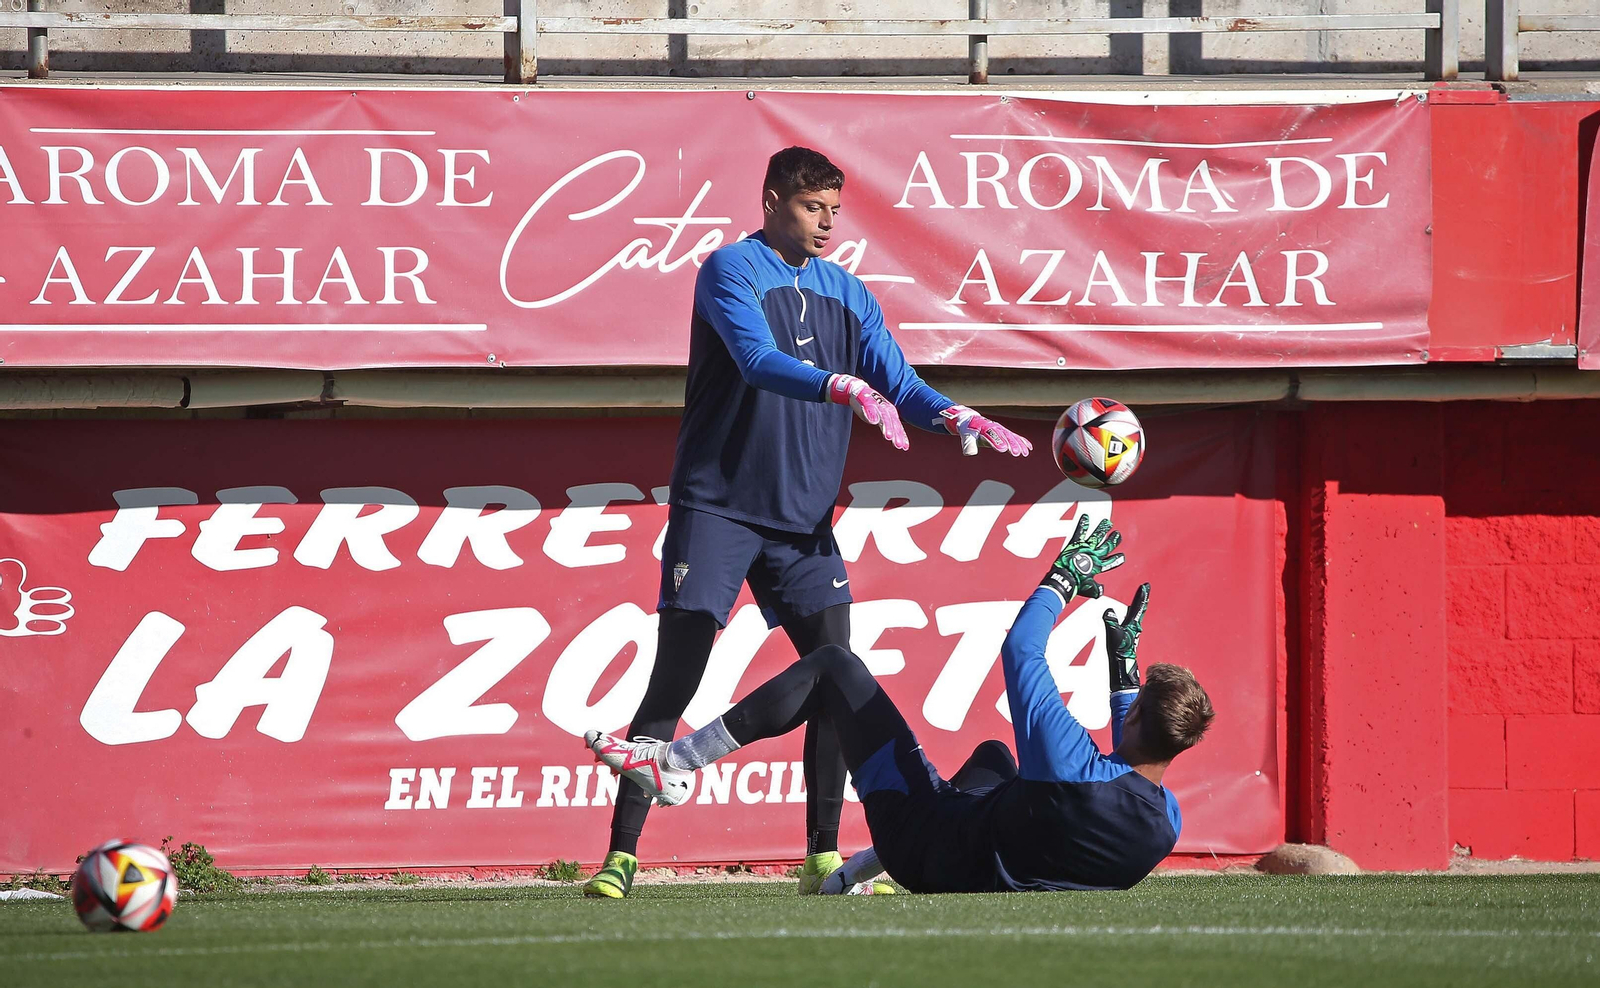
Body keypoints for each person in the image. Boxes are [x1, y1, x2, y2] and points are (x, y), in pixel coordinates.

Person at [583, 146, 1033, 899]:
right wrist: (839, 385)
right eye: (810, 207)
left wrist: (954, 412)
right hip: (719, 507)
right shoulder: (729, 270)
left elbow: (900, 383)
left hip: (803, 524)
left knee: (837, 683)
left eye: (832, 209)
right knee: (677, 676)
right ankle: (620, 857)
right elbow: (757, 361)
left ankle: (823, 858)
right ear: (770, 200)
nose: (825, 223)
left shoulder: (849, 293)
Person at [587, 517, 1214, 894]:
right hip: (985, 860)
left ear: (1134, 720)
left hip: (926, 844)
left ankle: (680, 763)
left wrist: (1062, 578)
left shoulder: (1067, 762)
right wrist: (1123, 675)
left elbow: (1022, 648)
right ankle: (851, 870)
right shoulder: (1166, 826)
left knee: (834, 665)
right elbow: (1116, 773)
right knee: (996, 759)